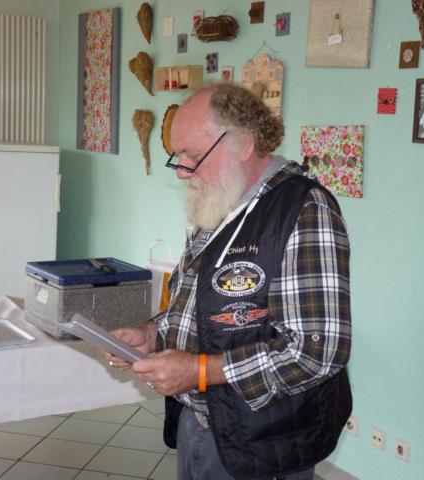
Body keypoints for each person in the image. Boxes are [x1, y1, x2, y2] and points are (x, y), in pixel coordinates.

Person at [104, 83, 352, 480]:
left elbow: (317, 351)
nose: (182, 171)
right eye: (178, 156)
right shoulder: (221, 201)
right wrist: (153, 334)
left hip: (266, 439)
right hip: (204, 422)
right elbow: (197, 305)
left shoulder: (304, 210)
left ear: (244, 144)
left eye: (194, 155)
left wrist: (200, 372)